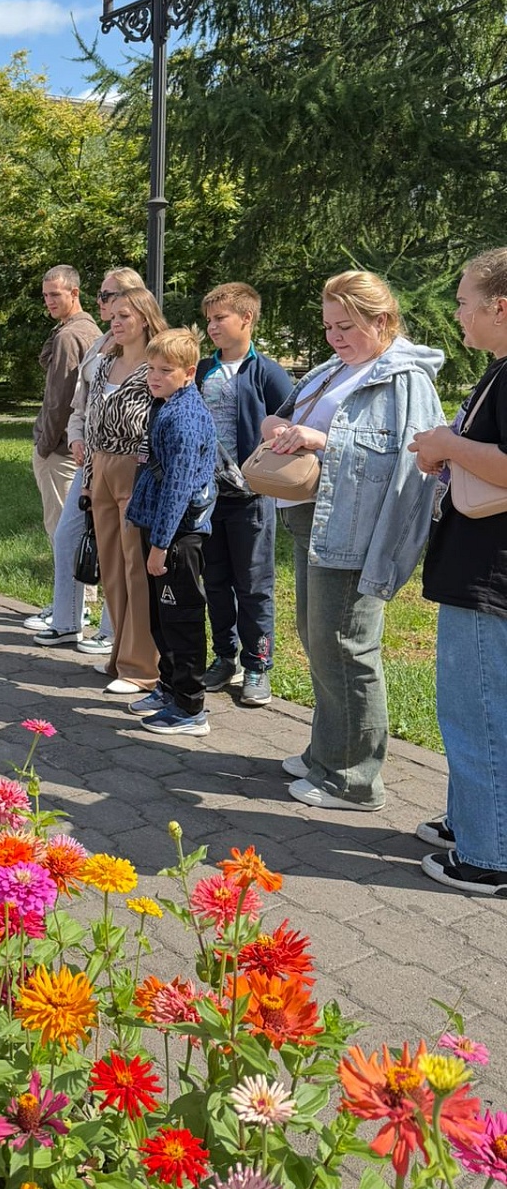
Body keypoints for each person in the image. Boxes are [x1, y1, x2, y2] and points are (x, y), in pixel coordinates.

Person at [260, 271, 444, 810]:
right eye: (327, 326)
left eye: (345, 325)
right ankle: (327, 752)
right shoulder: (336, 367)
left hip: (354, 531)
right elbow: (289, 416)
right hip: (314, 521)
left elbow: (416, 463)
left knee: (346, 647)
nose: (334, 336)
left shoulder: (405, 379)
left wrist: (322, 439)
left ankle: (354, 779)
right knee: (319, 640)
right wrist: (280, 428)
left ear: (381, 320)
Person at [410, 249, 507, 895]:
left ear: (500, 307)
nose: (457, 314)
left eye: (465, 302)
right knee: (474, 708)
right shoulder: (498, 369)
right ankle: (473, 819)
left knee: (478, 712)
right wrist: (446, 454)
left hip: (487, 574)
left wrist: (446, 444)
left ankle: (488, 855)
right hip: (477, 566)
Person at [34, 267, 145, 659]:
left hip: (128, 465)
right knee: (68, 535)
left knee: (118, 546)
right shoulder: (101, 343)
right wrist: (76, 435)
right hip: (90, 461)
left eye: (109, 296)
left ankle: (111, 630)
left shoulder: (151, 351)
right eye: (102, 296)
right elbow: (80, 402)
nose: (102, 303)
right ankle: (66, 620)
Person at [196, 282, 294, 707]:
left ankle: (257, 665)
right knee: (215, 581)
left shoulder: (266, 372)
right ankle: (225, 657)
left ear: (247, 318)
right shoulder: (203, 369)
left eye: (220, 318)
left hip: (250, 498)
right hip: (206, 497)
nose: (212, 326)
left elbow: (290, 423)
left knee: (253, 585)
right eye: (209, 319)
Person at [76, 286, 168, 696]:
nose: (115, 322)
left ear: (145, 318)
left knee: (136, 569)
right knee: (112, 568)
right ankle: (119, 655)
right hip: (101, 468)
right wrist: (89, 476)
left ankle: (142, 667)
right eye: (112, 316)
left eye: (124, 316)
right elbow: (91, 423)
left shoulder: (156, 366)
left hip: (136, 470)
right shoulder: (105, 362)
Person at [126, 328, 218, 734]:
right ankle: (169, 687)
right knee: (161, 618)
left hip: (178, 535)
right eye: (151, 368)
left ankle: (190, 706)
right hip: (159, 528)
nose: (154, 377)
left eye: (166, 370)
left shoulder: (185, 418)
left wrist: (161, 545)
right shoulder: (166, 405)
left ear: (189, 372)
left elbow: (178, 488)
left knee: (181, 619)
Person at [24, 264, 102, 631]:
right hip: (75, 445)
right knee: (76, 530)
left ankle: (72, 608)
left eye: (55, 294)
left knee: (63, 532)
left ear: (75, 293)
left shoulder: (71, 335)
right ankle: (74, 604)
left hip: (60, 449)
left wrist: (44, 445)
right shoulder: (87, 330)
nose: (49, 301)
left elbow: (59, 399)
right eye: (45, 295)